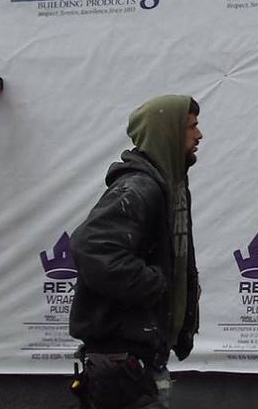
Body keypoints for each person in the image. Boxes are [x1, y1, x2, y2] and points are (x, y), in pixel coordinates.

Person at [69, 95, 203, 409]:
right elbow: (92, 247)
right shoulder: (140, 188)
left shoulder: (171, 186)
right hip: (122, 365)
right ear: (166, 133)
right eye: (191, 127)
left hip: (141, 360)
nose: (199, 135)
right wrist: (157, 283)